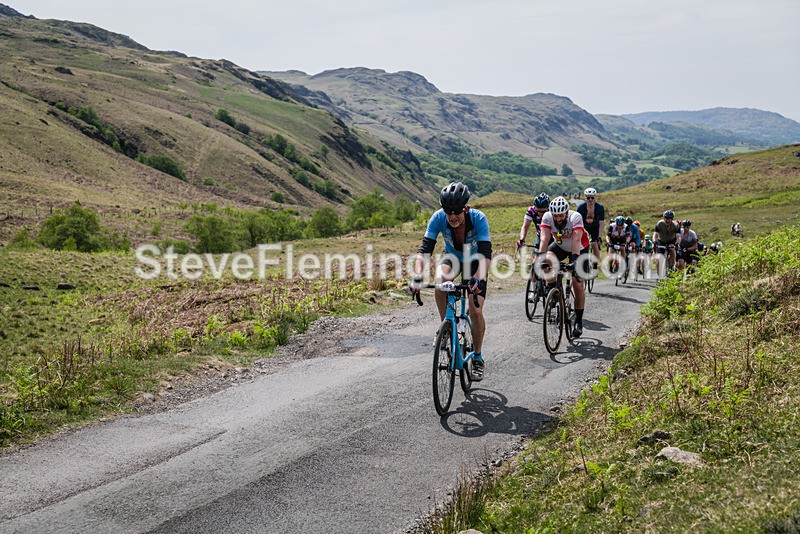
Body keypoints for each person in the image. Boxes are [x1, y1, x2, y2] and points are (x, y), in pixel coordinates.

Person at [412, 182, 492, 380]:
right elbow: (425, 250)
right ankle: (446, 328)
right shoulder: (438, 218)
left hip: (476, 262)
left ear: (466, 208)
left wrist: (478, 279)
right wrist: (418, 275)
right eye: (448, 211)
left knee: (475, 311)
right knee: (440, 281)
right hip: (453, 257)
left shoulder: (478, 218)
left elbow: (486, 255)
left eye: (457, 211)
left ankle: (478, 357)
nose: (452, 216)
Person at [537, 196, 589, 338]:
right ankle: (554, 289)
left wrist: (574, 261)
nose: (558, 219)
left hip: (579, 248)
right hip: (559, 246)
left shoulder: (575, 217)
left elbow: (577, 239)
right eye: (556, 216)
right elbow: (544, 238)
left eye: (561, 215)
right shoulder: (547, 217)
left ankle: (578, 320)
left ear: (566, 212)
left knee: (577, 283)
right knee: (546, 260)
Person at [576, 188, 606, 267]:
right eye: (588, 198)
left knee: (594, 244)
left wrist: (599, 236)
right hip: (584, 227)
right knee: (582, 245)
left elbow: (602, 222)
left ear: (595, 198)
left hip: (595, 227)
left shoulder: (600, 207)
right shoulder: (580, 208)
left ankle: (595, 264)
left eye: (592, 197)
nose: (590, 200)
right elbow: (577, 221)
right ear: (585, 198)